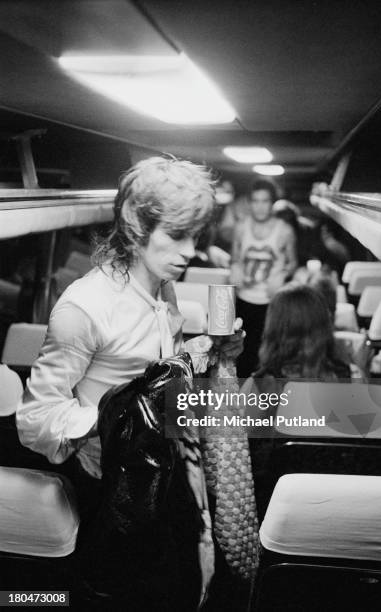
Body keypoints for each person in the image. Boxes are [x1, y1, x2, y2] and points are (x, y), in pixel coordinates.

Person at [15, 156, 244, 608]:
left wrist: (208, 352)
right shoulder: (85, 308)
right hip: (108, 487)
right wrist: (121, 420)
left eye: (195, 236)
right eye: (177, 236)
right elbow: (34, 419)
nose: (190, 250)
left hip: (163, 471)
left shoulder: (162, 286)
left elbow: (156, 371)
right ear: (137, 226)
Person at [241, 284, 353, 518]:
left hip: (276, 504)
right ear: (325, 325)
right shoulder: (351, 378)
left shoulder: (259, 385)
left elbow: (241, 452)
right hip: (338, 500)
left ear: (273, 328)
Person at [230, 180, 297, 377]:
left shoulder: (285, 230)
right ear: (250, 203)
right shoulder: (241, 228)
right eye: (256, 201)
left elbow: (293, 262)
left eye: (265, 201)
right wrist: (234, 267)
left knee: (269, 357)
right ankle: (243, 402)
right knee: (241, 357)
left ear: (272, 203)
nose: (260, 206)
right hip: (242, 301)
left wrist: (283, 274)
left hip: (271, 302)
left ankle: (267, 403)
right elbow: (234, 258)